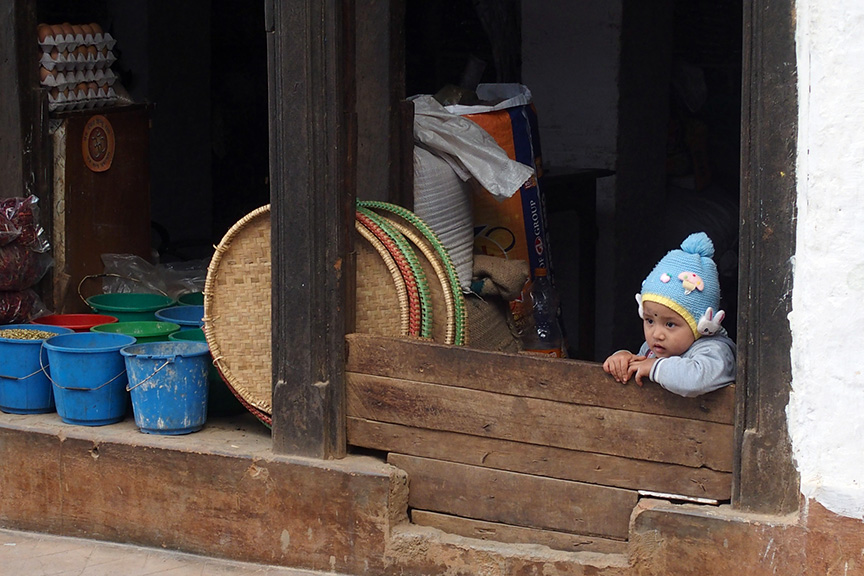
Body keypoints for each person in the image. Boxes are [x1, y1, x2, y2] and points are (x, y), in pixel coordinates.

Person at [602, 232, 736, 397]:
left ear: (699, 326)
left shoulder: (715, 351)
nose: (657, 334)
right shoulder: (654, 349)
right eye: (650, 320)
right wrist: (623, 360)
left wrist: (655, 367)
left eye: (670, 324)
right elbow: (642, 365)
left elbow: (696, 379)